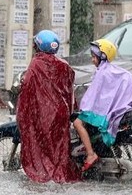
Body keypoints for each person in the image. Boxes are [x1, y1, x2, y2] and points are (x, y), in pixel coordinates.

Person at [16, 30, 82, 183]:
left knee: (38, 142)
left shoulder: (36, 63)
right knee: (58, 146)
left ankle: (44, 171)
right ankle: (58, 172)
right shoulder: (63, 65)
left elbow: (27, 86)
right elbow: (68, 87)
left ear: (38, 46)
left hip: (43, 112)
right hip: (61, 112)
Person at [73, 38, 132, 172]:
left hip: (107, 112)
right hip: (124, 108)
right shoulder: (117, 71)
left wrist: (83, 108)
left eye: (94, 57)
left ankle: (91, 154)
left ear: (102, 57)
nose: (92, 60)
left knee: (77, 122)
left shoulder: (102, 73)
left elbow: (95, 98)